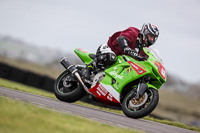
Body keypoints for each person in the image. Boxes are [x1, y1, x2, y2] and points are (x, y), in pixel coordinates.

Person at [82, 23, 159, 84]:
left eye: (153, 38)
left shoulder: (145, 50)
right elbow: (121, 38)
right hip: (109, 50)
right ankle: (87, 69)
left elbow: (146, 60)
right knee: (112, 57)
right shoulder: (134, 32)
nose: (151, 39)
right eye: (150, 36)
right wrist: (126, 48)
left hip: (121, 61)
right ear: (145, 32)